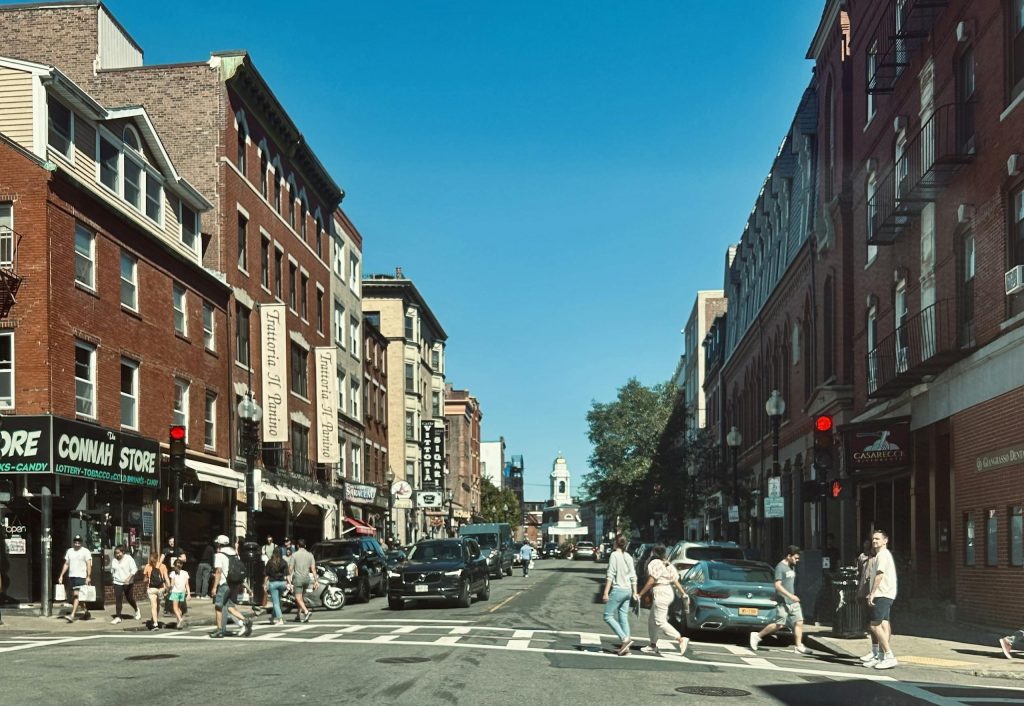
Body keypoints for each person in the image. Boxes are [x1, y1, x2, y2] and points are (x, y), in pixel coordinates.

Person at [750, 545, 810, 655]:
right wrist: (789, 596)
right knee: (779, 625)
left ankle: (798, 646)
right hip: (784, 601)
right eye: (795, 558)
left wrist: (792, 597)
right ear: (788, 556)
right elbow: (778, 585)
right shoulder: (780, 567)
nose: (797, 560)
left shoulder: (792, 567)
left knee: (799, 622)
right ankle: (757, 636)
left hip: (792, 601)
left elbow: (788, 584)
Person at [636, 544, 689, 655]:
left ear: (654, 553)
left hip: (660, 591)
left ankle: (680, 639)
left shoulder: (654, 563)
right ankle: (653, 645)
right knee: (652, 620)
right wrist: (683, 593)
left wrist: (640, 594)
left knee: (660, 621)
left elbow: (651, 581)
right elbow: (675, 581)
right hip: (668, 591)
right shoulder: (668, 564)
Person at [864, 529, 898, 669]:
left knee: (874, 625)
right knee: (884, 623)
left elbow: (879, 574)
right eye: (873, 539)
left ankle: (889, 655)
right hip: (886, 593)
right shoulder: (882, 555)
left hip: (882, 594)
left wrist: (872, 593)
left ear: (885, 540)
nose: (874, 541)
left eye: (878, 539)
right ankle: (881, 656)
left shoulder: (883, 555)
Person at [601, 535, 638, 656]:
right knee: (623, 617)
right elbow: (633, 576)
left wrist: (606, 592)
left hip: (618, 589)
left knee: (607, 616)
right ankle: (625, 648)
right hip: (628, 590)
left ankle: (624, 639)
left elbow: (610, 574)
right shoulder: (628, 556)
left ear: (615, 543)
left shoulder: (614, 555)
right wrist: (635, 592)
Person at [209, 534, 251, 638]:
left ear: (218, 544)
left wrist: (214, 587)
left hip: (224, 583)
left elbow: (218, 571)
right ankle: (245, 621)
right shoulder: (234, 552)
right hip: (234, 583)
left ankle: (219, 630)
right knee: (229, 605)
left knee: (218, 606)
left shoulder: (219, 555)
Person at [57, 535, 92, 623]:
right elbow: (66, 564)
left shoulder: (85, 551)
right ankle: (86, 612)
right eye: (75, 541)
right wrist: (61, 575)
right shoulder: (69, 551)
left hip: (81, 576)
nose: (77, 543)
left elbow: (89, 564)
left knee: (76, 595)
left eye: (79, 541)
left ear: (81, 542)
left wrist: (88, 576)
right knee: (77, 596)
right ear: (73, 542)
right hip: (71, 576)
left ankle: (72, 615)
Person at [856, 538, 880, 663]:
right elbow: (860, 572)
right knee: (870, 624)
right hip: (864, 592)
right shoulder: (862, 557)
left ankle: (880, 652)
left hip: (875, 594)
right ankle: (875, 650)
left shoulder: (879, 559)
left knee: (876, 624)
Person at [286, 538, 317, 623]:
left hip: (298, 579)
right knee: (301, 598)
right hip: (307, 579)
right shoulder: (310, 555)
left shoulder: (294, 555)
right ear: (305, 546)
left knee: (297, 597)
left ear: (297, 546)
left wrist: (288, 578)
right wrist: (316, 581)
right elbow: (313, 569)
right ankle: (298, 615)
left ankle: (306, 612)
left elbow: (290, 568)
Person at [109, 545, 141, 624]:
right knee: (118, 599)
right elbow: (113, 570)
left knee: (129, 598)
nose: (117, 555)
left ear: (123, 552)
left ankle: (136, 609)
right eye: (116, 553)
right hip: (117, 582)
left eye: (119, 553)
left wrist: (128, 578)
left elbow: (134, 569)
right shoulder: (114, 560)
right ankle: (118, 616)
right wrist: (113, 577)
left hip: (127, 582)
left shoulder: (128, 558)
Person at [142, 551, 169, 629]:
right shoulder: (163, 566)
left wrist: (145, 586)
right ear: (157, 558)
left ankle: (155, 623)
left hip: (152, 588)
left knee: (153, 605)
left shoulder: (148, 566)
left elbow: (145, 580)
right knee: (158, 605)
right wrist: (168, 587)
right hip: (161, 588)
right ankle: (155, 619)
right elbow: (166, 578)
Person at [264, 550, 289, 625]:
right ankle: (272, 617)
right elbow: (287, 574)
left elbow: (266, 574)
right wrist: (289, 583)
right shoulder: (284, 562)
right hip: (282, 583)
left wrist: (265, 584)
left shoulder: (270, 562)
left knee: (275, 603)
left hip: (273, 583)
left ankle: (280, 619)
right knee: (278, 600)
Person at [168, 559, 190, 629]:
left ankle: (180, 619)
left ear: (174, 565)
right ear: (182, 565)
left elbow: (172, 584)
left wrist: (168, 589)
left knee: (175, 608)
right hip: (182, 592)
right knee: (179, 608)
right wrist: (189, 594)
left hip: (175, 592)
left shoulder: (173, 573)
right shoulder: (185, 573)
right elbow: (187, 584)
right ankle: (178, 623)